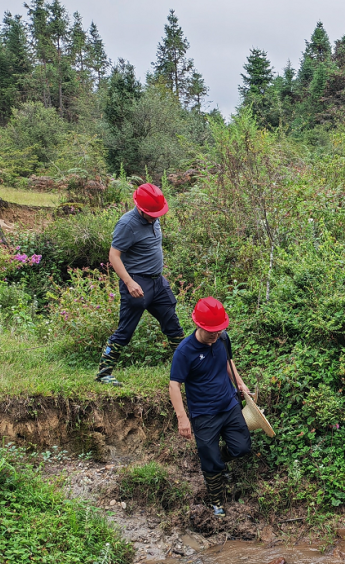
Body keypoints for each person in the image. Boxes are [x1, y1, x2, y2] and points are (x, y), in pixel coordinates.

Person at [169, 297, 253, 517]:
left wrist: (240, 383)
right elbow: (174, 384)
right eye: (211, 331)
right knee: (209, 457)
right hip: (203, 414)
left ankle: (218, 464)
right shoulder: (185, 351)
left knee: (242, 447)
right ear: (198, 325)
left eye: (218, 330)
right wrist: (182, 417)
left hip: (229, 404)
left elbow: (228, 362)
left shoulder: (223, 338)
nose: (215, 335)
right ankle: (216, 501)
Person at [96, 183, 185, 386]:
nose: (155, 217)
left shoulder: (155, 215)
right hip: (137, 282)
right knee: (125, 329)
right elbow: (114, 255)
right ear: (140, 208)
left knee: (174, 326)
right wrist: (129, 282)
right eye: (152, 213)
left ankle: (187, 370)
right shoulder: (127, 224)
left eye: (157, 213)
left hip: (158, 282)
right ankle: (103, 374)